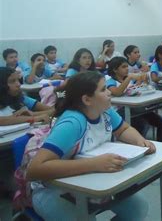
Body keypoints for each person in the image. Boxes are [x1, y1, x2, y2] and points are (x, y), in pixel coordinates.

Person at [26, 71, 152, 220]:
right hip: (52, 191)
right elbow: (34, 170)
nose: (109, 93)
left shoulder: (105, 111)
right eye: (103, 89)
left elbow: (123, 129)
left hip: (90, 184)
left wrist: (140, 141)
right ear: (87, 99)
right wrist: (93, 164)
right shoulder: (72, 123)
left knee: (137, 208)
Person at [107, 57, 162, 141]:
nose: (127, 69)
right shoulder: (111, 81)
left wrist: (142, 81)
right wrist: (129, 78)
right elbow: (117, 92)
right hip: (119, 111)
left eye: (127, 66)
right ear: (115, 70)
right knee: (142, 124)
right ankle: (139, 146)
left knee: (161, 122)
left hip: (134, 108)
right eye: (123, 67)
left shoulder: (126, 79)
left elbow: (133, 89)